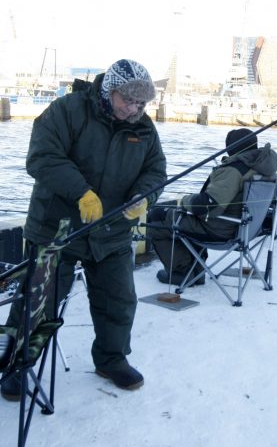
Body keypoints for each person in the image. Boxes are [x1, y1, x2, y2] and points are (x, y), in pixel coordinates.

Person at [1, 59, 167, 400]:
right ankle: (16, 365)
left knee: (119, 300)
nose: (134, 108)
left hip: (114, 232)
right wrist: (82, 191)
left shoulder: (144, 128)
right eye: (129, 100)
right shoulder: (67, 110)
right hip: (57, 230)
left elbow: (156, 170)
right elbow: (42, 157)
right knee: (38, 302)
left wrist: (144, 196)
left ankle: (111, 359)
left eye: (141, 102)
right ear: (110, 90)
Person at [149, 128, 277, 285]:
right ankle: (196, 269)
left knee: (157, 219)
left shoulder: (234, 170)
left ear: (231, 147)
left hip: (221, 231)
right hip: (248, 230)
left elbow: (209, 206)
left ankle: (182, 272)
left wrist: (184, 201)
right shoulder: (264, 169)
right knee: (180, 213)